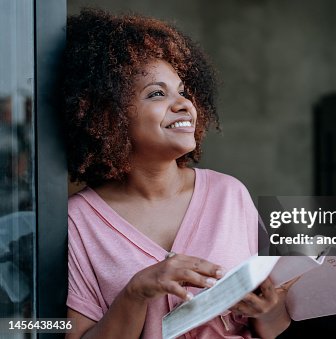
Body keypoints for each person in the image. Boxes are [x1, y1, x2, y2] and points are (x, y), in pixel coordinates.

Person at [63, 9, 291, 339]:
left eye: (183, 91)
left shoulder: (230, 194)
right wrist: (137, 292)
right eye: (157, 93)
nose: (184, 104)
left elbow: (272, 327)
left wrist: (270, 311)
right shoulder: (80, 221)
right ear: (108, 117)